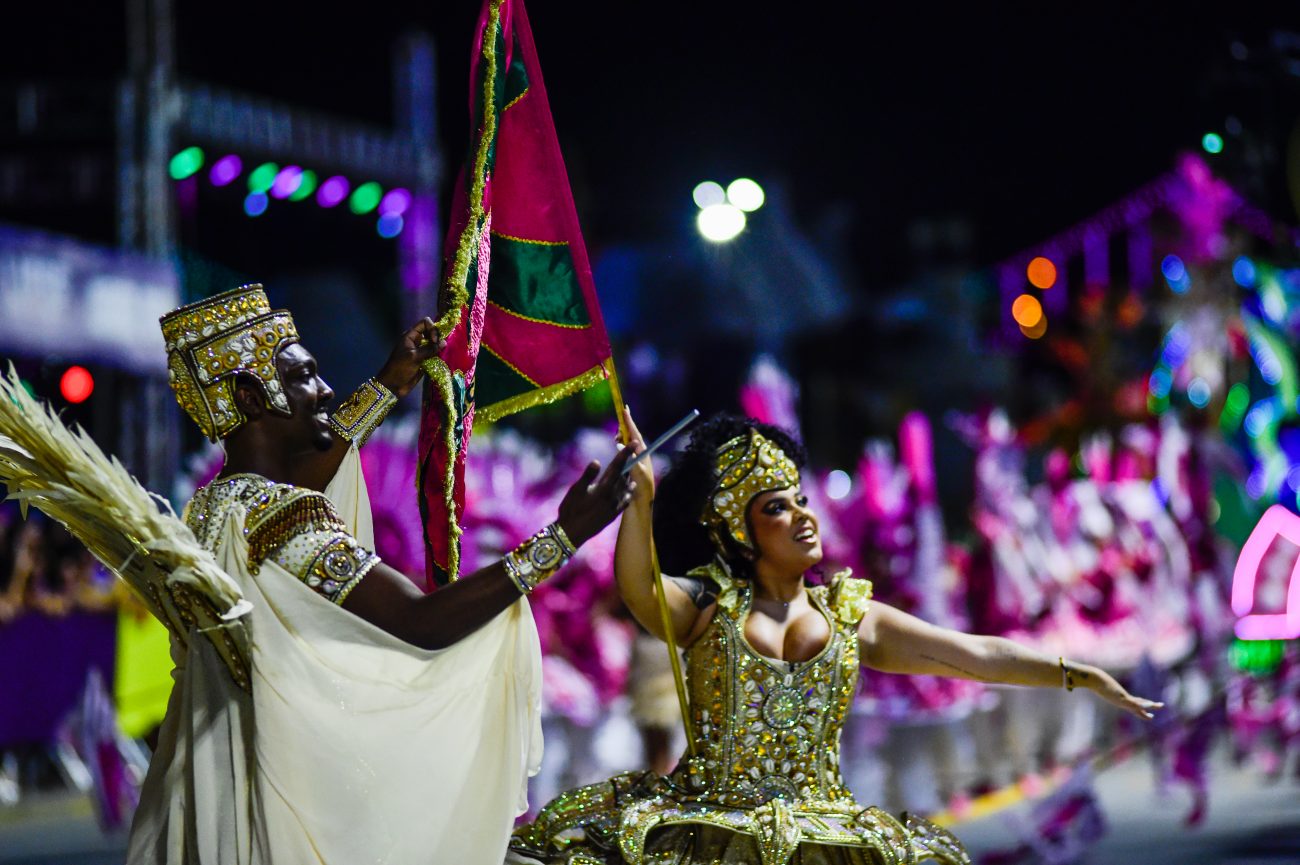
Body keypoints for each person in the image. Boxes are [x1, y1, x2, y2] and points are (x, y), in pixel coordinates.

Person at [511, 411, 1161, 865]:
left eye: (799, 498)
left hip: (825, 837)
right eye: (776, 507)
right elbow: (640, 591)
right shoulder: (707, 606)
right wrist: (642, 500)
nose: (803, 515)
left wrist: (1078, 672)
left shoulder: (855, 617)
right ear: (740, 533)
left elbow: (976, 653)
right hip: (706, 834)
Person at [128, 284, 636, 865]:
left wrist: (390, 383)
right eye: (303, 378)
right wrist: (563, 537)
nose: (323, 391)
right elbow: (421, 622)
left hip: (215, 776)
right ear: (248, 394)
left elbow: (305, 483)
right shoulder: (284, 520)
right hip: (283, 793)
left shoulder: (215, 508)